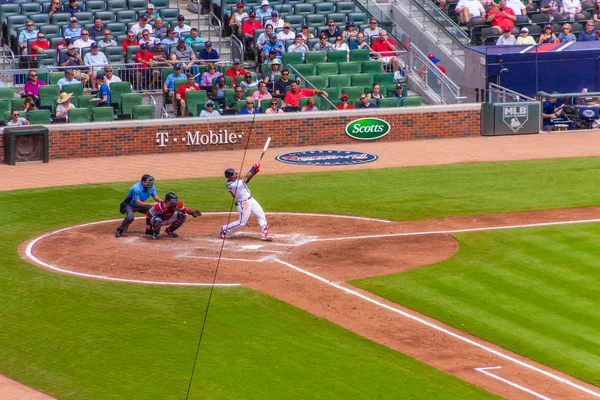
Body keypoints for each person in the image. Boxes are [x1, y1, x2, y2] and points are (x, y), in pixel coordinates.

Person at [219, 164, 272, 241]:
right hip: (244, 203)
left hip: (251, 199)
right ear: (230, 177)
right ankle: (224, 229)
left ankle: (265, 234)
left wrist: (254, 172)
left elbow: (246, 181)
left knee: (260, 214)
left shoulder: (233, 180)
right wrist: (253, 168)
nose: (236, 174)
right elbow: (246, 178)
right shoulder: (233, 185)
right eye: (234, 174)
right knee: (241, 223)